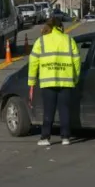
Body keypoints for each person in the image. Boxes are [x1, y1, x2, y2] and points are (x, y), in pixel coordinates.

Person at [27, 15, 82, 146]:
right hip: (66, 81)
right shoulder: (69, 40)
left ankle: (45, 138)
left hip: (48, 82)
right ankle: (66, 137)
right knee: (65, 110)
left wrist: (31, 83)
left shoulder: (41, 41)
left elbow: (33, 62)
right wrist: (75, 78)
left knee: (48, 110)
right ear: (60, 27)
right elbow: (77, 61)